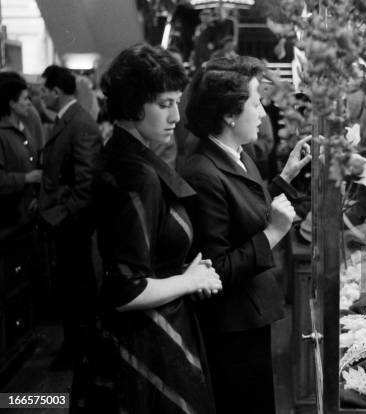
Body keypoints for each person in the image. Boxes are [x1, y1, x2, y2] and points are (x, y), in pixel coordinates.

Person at [93, 43, 221, 414]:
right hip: (146, 342)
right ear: (133, 104)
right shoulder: (136, 173)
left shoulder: (124, 152)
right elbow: (125, 288)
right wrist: (190, 279)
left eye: (177, 102)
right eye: (165, 104)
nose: (177, 116)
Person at [182, 56, 311, 414]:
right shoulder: (202, 173)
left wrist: (285, 176)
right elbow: (216, 269)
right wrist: (273, 233)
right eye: (256, 103)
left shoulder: (237, 153)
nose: (262, 113)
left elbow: (244, 212)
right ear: (229, 114)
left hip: (249, 316)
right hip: (231, 327)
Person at [38, 65, 101, 369]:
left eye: (43, 90)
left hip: (72, 225)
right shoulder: (69, 120)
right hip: (66, 221)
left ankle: (79, 349)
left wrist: (63, 216)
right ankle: (77, 346)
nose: (40, 95)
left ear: (56, 92)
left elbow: (86, 182)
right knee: (72, 288)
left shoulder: (79, 123)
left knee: (76, 288)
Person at [0, 72, 42, 241]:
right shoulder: (2, 134)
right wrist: (27, 178)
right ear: (11, 103)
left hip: (28, 217)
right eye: (25, 99)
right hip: (9, 223)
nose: (29, 104)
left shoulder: (25, 125)